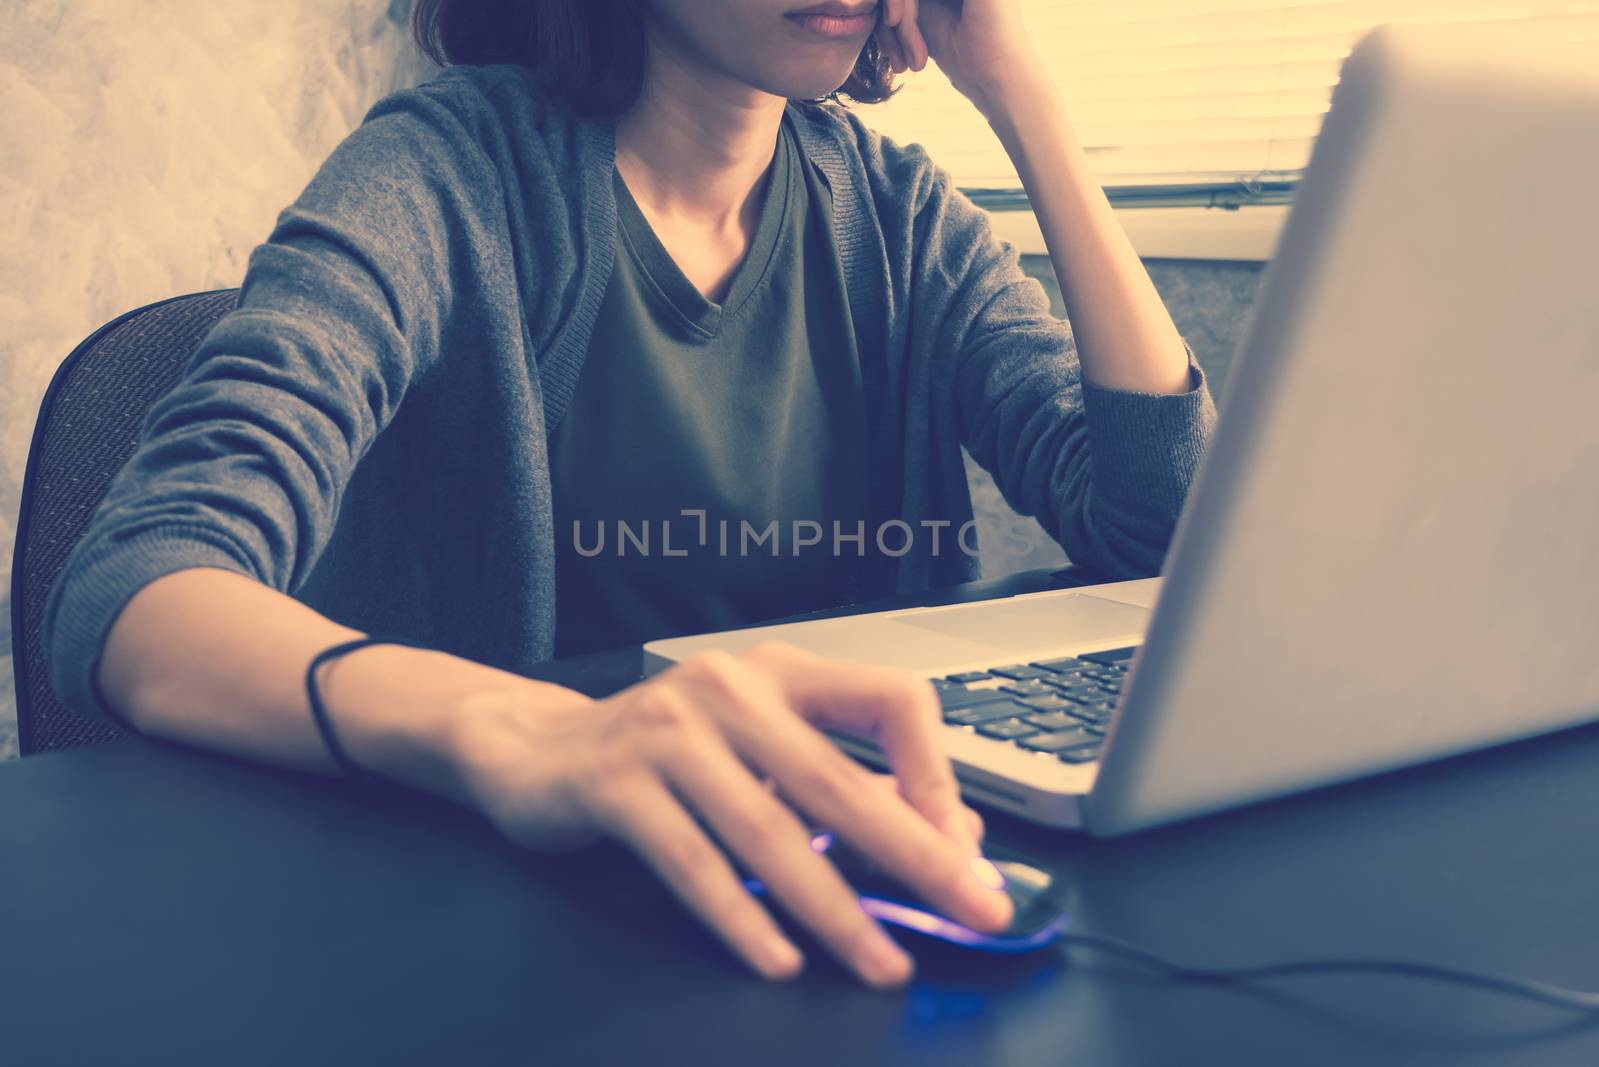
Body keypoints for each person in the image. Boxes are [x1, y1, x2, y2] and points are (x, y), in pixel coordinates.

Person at [43, 0, 1216, 988]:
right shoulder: (449, 173)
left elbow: (1164, 536)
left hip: (820, 898)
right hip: (497, 928)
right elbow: (135, 581)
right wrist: (522, 727)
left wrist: (1021, 98)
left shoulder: (898, 216)